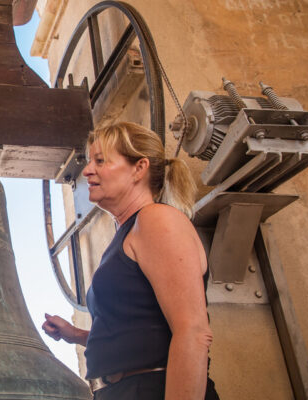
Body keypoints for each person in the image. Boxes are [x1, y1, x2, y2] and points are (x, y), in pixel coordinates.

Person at [42, 122, 219, 399]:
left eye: (100, 161)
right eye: (89, 162)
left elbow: (193, 332)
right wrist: (75, 334)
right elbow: (138, 334)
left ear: (139, 168)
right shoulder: (126, 234)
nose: (87, 170)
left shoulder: (156, 220)